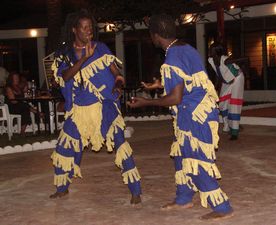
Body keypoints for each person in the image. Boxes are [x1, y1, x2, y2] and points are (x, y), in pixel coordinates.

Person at [128, 14, 233, 220]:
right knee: (180, 156)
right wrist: (159, 85)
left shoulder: (171, 58)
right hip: (195, 112)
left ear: (155, 36)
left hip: (195, 116)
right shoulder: (185, 49)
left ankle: (222, 207)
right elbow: (188, 81)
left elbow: (175, 98)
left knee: (196, 160)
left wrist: (146, 102)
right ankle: (184, 198)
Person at [49, 9, 142, 204]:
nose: (89, 31)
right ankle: (62, 188)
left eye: (90, 27)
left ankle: (135, 191)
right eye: (84, 28)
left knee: (120, 144)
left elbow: (117, 73)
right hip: (79, 111)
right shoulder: (64, 55)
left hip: (104, 106)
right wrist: (83, 58)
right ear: (75, 30)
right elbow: (64, 77)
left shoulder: (100, 48)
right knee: (64, 147)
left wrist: (118, 85)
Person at [208, 43, 245, 140]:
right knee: (222, 104)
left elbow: (241, 59)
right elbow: (218, 74)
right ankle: (228, 125)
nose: (209, 50)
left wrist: (233, 60)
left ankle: (234, 132)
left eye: (211, 49)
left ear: (216, 51)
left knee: (234, 105)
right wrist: (215, 87)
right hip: (226, 81)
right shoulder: (211, 60)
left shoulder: (225, 59)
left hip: (237, 79)